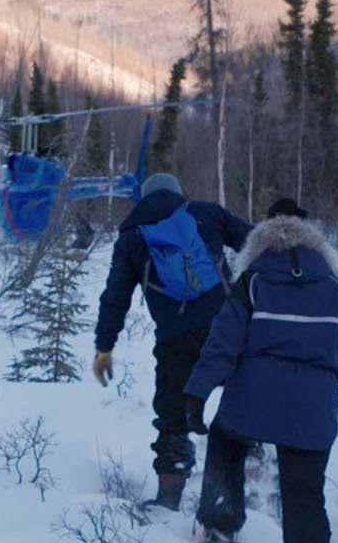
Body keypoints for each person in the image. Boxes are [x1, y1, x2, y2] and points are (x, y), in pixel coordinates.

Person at [181, 198, 338, 543]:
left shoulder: (252, 282)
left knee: (226, 437)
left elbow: (222, 345)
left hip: (251, 403)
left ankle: (219, 520)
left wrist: (197, 393)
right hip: (313, 412)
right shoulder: (335, 289)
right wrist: (318, 383)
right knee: (305, 496)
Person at [93, 172, 252, 510]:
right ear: (180, 192)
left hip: (175, 338)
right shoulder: (207, 213)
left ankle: (168, 497)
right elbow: (256, 244)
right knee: (244, 400)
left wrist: (104, 346)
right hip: (227, 329)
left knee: (172, 418)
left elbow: (115, 298)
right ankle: (253, 475)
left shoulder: (132, 238)